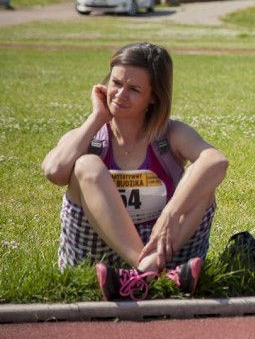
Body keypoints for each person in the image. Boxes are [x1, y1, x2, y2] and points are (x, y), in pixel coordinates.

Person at [41, 43, 229, 301]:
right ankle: (147, 272)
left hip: (163, 245)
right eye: (116, 83)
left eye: (134, 89)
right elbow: (54, 171)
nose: (120, 94)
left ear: (154, 97)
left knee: (202, 178)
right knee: (86, 165)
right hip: (98, 255)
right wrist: (97, 117)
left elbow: (217, 162)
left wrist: (170, 215)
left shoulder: (170, 134)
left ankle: (140, 275)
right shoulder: (92, 136)